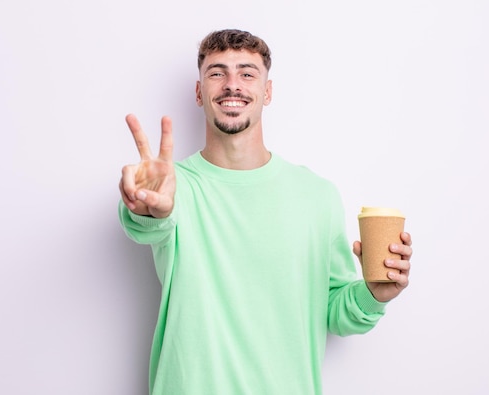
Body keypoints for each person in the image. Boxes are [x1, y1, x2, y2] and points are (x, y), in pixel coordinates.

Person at [118, 29, 413, 395]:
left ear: (267, 92)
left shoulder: (316, 196)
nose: (231, 85)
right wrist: (148, 209)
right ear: (199, 93)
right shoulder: (175, 187)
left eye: (246, 73)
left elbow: (335, 310)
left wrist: (374, 294)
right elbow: (148, 225)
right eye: (216, 73)